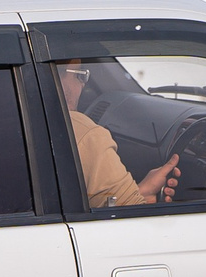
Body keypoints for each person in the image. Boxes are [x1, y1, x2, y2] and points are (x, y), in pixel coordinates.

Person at [57, 60, 179, 207]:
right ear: (56, 77)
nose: (83, 84)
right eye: (79, 76)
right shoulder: (83, 133)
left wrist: (141, 192)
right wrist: (132, 200)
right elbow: (131, 221)